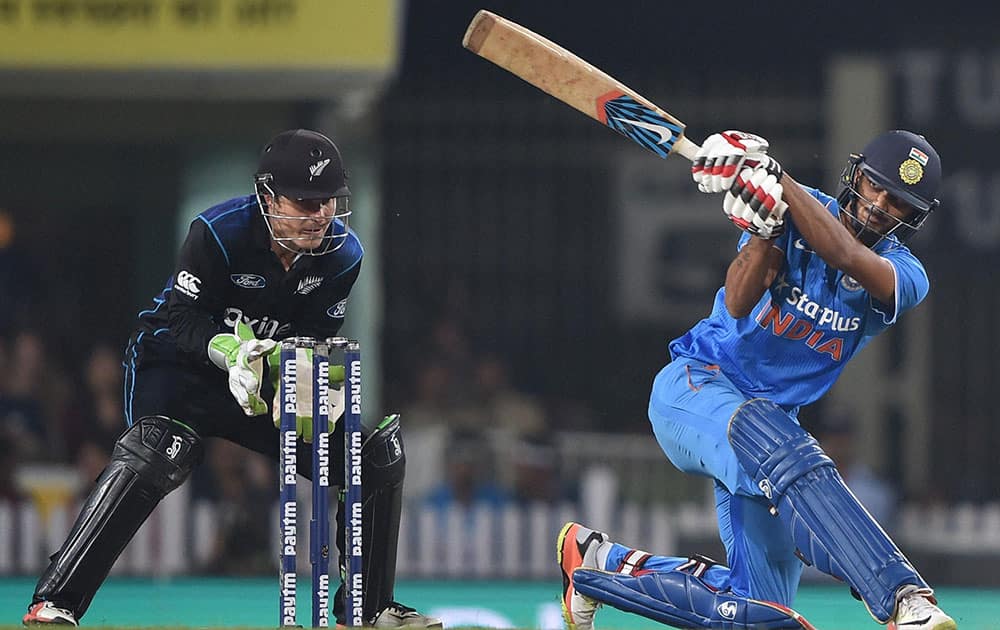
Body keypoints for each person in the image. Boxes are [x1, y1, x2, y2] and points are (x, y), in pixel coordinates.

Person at [23, 129, 441, 628]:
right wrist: (229, 351)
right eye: (305, 203)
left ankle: (369, 610)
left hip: (260, 376)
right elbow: (182, 320)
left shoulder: (343, 256)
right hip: (175, 366)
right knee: (158, 449)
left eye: (328, 201)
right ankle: (56, 602)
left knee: (370, 453)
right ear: (267, 197)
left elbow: (310, 337)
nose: (321, 214)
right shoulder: (218, 232)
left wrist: (305, 383)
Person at [557, 130, 956, 629]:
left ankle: (599, 566)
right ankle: (903, 598)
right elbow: (741, 300)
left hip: (775, 436)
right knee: (782, 444)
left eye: (898, 202)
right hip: (696, 388)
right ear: (855, 176)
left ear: (914, 216)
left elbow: (849, 258)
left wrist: (779, 179)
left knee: (761, 617)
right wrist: (766, 231)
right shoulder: (790, 212)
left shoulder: (906, 272)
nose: (879, 205)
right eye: (876, 187)